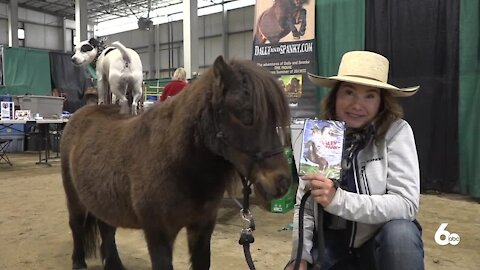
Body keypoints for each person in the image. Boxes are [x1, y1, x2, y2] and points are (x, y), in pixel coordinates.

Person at [285, 51, 424, 270]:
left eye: (369, 96)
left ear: (381, 101)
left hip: (376, 246)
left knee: (401, 234)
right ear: (335, 96)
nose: (357, 105)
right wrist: (299, 257)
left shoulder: (396, 132)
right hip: (329, 247)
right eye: (349, 92)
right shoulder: (321, 134)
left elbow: (406, 205)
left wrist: (338, 201)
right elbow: (305, 207)